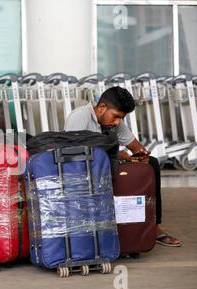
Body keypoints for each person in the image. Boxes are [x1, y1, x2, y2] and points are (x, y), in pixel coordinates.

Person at [64, 86, 181, 247]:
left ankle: (153, 226)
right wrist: (118, 155)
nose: (118, 122)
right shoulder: (80, 117)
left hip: (107, 163)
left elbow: (134, 146)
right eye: (116, 117)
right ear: (102, 107)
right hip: (82, 169)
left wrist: (141, 154)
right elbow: (73, 154)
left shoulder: (114, 122)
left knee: (151, 163)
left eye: (121, 118)